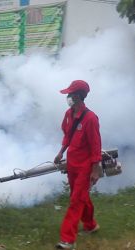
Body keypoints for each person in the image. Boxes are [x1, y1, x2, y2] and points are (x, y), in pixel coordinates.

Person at [54, 80, 102, 250]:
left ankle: (67, 240)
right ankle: (90, 225)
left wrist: (95, 170)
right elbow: (68, 135)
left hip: (85, 167)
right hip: (72, 163)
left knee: (75, 201)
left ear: (79, 96)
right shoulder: (68, 114)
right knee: (79, 196)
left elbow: (96, 146)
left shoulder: (90, 118)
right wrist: (61, 152)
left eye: (71, 94)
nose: (68, 97)